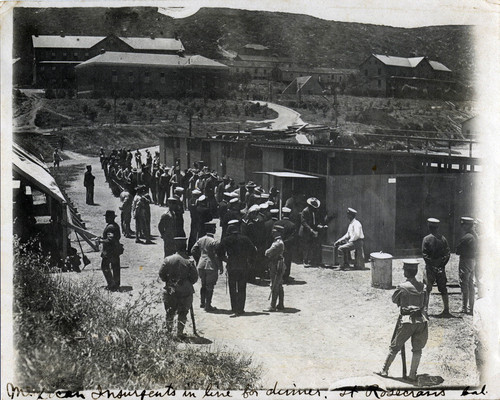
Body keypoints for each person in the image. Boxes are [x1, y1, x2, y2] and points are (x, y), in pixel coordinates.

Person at [379, 260, 428, 383]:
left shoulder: (402, 287)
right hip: (421, 321)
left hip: (407, 321)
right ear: (416, 271)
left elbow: (394, 300)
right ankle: (412, 374)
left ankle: (384, 370)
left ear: (405, 271)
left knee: (395, 346)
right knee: (417, 349)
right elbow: (425, 303)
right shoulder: (423, 287)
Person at [159, 237, 198, 339]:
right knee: (183, 312)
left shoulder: (168, 260)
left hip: (171, 289)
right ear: (185, 247)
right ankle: (179, 333)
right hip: (185, 291)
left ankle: (168, 332)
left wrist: (169, 281)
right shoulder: (189, 261)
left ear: (175, 246)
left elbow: (161, 275)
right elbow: (194, 278)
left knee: (169, 312)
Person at [217, 221, 257, 317]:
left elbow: (218, 251)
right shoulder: (245, 239)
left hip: (232, 265)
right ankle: (241, 308)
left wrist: (225, 259)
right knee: (242, 287)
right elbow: (253, 250)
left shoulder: (226, 240)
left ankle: (234, 308)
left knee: (232, 287)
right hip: (243, 265)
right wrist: (250, 261)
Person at [422, 218, 451, 317]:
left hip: (430, 268)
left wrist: (432, 265)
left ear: (429, 227)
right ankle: (446, 310)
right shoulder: (443, 239)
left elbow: (425, 255)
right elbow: (447, 254)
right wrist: (441, 265)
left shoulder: (426, 239)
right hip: (440, 268)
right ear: (437, 227)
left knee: (427, 288)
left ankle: (425, 310)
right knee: (443, 288)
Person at [191, 222, 223, 312]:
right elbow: (216, 255)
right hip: (211, 266)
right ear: (213, 230)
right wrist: (220, 266)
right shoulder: (214, 241)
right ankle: (208, 305)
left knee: (203, 284)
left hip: (201, 264)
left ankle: (202, 302)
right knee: (210, 286)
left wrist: (198, 259)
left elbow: (193, 250)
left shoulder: (200, 239)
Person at [456, 217, 477, 314]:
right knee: (470, 283)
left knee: (464, 283)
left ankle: (464, 307)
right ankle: (471, 306)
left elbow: (457, 251)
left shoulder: (466, 237)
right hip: (473, 261)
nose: (462, 226)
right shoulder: (475, 236)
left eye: (463, 224)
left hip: (465, 261)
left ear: (468, 225)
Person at [99, 210, 122, 291]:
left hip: (109, 251)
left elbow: (110, 240)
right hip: (115, 250)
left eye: (106, 217)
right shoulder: (115, 226)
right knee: (115, 267)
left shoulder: (110, 227)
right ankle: (116, 283)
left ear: (110, 217)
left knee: (105, 266)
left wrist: (101, 241)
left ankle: (111, 284)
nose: (105, 218)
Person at [265, 225, 285, 312]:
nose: (272, 232)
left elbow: (267, 252)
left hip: (276, 264)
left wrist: (267, 252)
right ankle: (280, 304)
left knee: (274, 284)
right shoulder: (278, 241)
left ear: (278, 232)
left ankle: (273, 305)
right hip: (278, 263)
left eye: (274, 231)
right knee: (279, 284)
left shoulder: (278, 243)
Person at [274, 207, 297, 282]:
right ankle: (286, 277)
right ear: (289, 214)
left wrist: (279, 241)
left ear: (282, 214)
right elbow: (293, 237)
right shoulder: (292, 225)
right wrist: (285, 242)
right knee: (287, 260)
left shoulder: (277, 223)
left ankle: (276, 275)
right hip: (288, 246)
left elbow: (274, 234)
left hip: (277, 244)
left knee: (277, 259)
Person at [299, 197, 322, 267]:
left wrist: (319, 226)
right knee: (305, 247)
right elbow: (304, 222)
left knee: (311, 246)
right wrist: (311, 230)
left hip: (311, 232)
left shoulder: (315, 212)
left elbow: (315, 221)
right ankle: (305, 261)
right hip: (305, 232)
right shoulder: (305, 211)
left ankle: (311, 260)